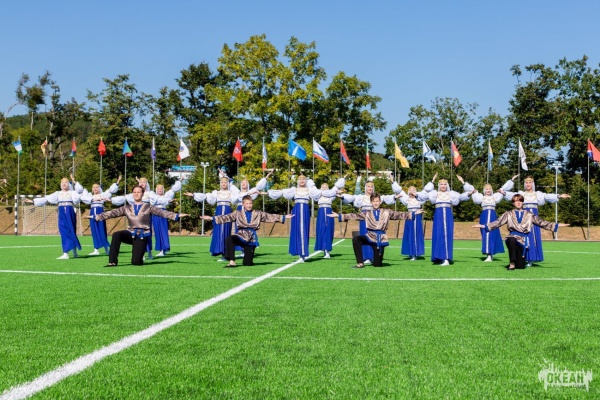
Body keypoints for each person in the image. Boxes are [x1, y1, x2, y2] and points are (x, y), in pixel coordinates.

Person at [89, 185, 188, 267]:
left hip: (142, 235)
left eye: (138, 192)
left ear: (142, 194)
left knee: (136, 262)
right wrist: (96, 217)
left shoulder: (148, 207)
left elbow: (162, 212)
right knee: (116, 235)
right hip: (130, 233)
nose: (136, 194)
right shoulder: (127, 208)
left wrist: (176, 216)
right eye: (134, 192)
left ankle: (139, 254)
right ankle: (112, 261)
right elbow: (112, 213)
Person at [472, 194, 569, 270]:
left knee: (520, 266)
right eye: (516, 201)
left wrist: (557, 225)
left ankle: (517, 262)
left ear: (522, 202)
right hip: (512, 237)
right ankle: (512, 262)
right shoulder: (508, 214)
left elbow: (541, 222)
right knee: (511, 240)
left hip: (523, 240)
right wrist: (484, 226)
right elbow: (498, 222)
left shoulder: (529, 214)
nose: (518, 202)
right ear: (513, 203)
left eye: (520, 201)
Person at [201, 195, 293, 267]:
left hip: (251, 239)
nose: (249, 205)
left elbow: (269, 216)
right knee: (229, 239)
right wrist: (211, 218)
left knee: (247, 263)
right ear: (243, 204)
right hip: (240, 235)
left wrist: (284, 217)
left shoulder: (258, 213)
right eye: (247, 203)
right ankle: (232, 261)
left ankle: (248, 255)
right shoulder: (238, 213)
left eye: (250, 203)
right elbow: (226, 217)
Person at [328, 192, 416, 268]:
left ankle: (377, 258)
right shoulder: (367, 213)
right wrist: (339, 215)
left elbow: (399, 215)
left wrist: (413, 214)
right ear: (371, 202)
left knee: (377, 264)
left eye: (377, 201)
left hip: (380, 239)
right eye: (374, 201)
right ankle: (360, 262)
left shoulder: (386, 212)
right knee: (356, 239)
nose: (376, 203)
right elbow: (354, 215)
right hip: (370, 236)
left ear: (380, 202)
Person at [500, 175, 570, 266]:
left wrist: (559, 196)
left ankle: (531, 259)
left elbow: (547, 196)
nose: (528, 184)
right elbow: (506, 193)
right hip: (524, 218)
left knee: (533, 237)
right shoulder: (521, 194)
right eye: (526, 182)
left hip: (534, 217)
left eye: (530, 182)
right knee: (525, 237)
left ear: (533, 184)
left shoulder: (538, 194)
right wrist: (511, 181)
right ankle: (523, 257)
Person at [25, 177, 84, 259]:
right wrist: (32, 201)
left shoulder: (72, 193)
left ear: (68, 184)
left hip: (70, 212)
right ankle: (65, 253)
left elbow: (80, 192)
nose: (64, 184)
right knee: (63, 231)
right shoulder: (58, 193)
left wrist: (74, 181)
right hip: (61, 212)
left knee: (71, 230)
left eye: (66, 182)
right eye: (62, 182)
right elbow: (47, 198)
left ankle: (74, 251)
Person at [422, 173, 473, 266]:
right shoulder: (435, 194)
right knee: (438, 234)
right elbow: (424, 195)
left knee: (446, 234)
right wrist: (432, 181)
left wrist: (464, 185)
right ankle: (438, 257)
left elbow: (461, 197)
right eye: (441, 184)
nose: (443, 186)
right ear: (438, 185)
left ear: (447, 185)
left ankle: (446, 258)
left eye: (445, 184)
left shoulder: (451, 194)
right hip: (438, 214)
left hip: (447, 214)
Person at [341, 179, 396, 264]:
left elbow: (386, 198)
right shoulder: (361, 197)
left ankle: (375, 256)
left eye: (371, 186)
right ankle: (366, 257)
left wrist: (395, 197)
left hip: (374, 218)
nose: (370, 188)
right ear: (365, 188)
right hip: (364, 218)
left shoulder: (376, 197)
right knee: (365, 236)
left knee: (375, 236)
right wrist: (342, 196)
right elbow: (352, 198)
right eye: (368, 186)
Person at [185, 176, 240, 260]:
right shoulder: (216, 193)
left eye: (225, 182)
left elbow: (239, 196)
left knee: (226, 232)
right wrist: (193, 195)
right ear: (220, 184)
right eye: (222, 182)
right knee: (218, 231)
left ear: (228, 184)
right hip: (219, 211)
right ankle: (219, 251)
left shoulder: (231, 193)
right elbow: (206, 196)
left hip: (227, 212)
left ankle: (226, 254)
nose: (223, 184)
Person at [459, 176, 512, 262]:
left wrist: (511, 180)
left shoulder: (495, 197)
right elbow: (471, 189)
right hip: (484, 216)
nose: (488, 190)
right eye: (487, 189)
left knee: (493, 234)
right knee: (486, 234)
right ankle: (488, 254)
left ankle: (491, 254)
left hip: (493, 216)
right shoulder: (481, 197)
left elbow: (504, 189)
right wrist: (463, 182)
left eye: (490, 189)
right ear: (484, 190)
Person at [267, 174, 314, 262]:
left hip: (305, 210)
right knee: (296, 230)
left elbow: (322, 193)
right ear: (298, 181)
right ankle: (299, 253)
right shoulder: (294, 190)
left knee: (304, 230)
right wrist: (266, 193)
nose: (302, 180)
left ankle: (303, 254)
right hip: (296, 210)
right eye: (300, 179)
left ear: (306, 181)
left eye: (303, 179)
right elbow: (282, 192)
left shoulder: (310, 190)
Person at [231, 172, 272, 257]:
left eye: (245, 183)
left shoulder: (251, 192)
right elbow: (230, 185)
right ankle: (242, 250)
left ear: (248, 185)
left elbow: (259, 186)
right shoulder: (237, 192)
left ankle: (247, 249)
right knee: (239, 230)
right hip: (239, 210)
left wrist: (266, 177)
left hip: (247, 212)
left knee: (247, 230)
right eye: (242, 183)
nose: (243, 184)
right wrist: (223, 175)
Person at [80, 176, 121, 255]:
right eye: (93, 187)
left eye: (96, 187)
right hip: (92, 212)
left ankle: (106, 249)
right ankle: (96, 249)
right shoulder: (90, 196)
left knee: (102, 229)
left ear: (99, 188)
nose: (95, 189)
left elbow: (111, 191)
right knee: (94, 230)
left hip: (100, 212)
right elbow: (83, 197)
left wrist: (117, 182)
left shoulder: (103, 195)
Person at [312, 178, 346, 258]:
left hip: (328, 211)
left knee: (328, 230)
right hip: (321, 211)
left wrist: (342, 181)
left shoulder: (331, 195)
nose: (324, 188)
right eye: (323, 187)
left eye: (326, 187)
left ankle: (327, 250)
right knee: (320, 229)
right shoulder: (318, 195)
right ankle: (322, 247)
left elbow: (336, 189)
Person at [395, 185, 427, 260]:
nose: (412, 191)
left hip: (417, 217)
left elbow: (426, 192)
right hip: (409, 217)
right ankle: (410, 252)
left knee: (416, 234)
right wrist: (393, 182)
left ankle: (415, 253)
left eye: (414, 190)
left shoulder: (419, 199)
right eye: (410, 190)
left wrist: (432, 181)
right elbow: (400, 191)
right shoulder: (407, 199)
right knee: (409, 234)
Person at [150, 182, 182, 257]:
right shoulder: (154, 197)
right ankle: (161, 250)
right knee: (157, 232)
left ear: (163, 190)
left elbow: (173, 190)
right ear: (156, 190)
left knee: (163, 231)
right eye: (158, 189)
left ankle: (164, 249)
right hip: (155, 214)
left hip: (163, 214)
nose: (159, 190)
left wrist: (180, 180)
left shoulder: (166, 196)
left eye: (161, 189)